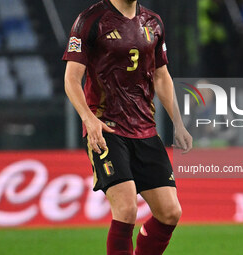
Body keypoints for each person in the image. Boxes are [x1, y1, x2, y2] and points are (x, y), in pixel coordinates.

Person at [62, 0, 193, 254]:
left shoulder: (153, 22)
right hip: (106, 127)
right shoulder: (90, 20)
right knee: (126, 209)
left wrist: (178, 122)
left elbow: (161, 75)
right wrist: (89, 119)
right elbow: (71, 79)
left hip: (144, 128)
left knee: (170, 213)